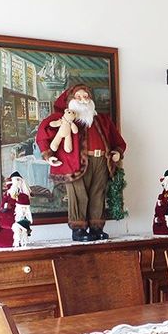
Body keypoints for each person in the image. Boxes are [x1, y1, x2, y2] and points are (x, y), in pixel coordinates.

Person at [36, 84, 126, 241]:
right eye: (78, 97)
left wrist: (117, 152)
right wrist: (48, 155)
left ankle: (97, 228)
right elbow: (43, 136)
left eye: (86, 96)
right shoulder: (63, 120)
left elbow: (117, 140)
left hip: (101, 161)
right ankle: (79, 230)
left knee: (98, 194)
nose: (83, 100)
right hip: (74, 164)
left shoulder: (102, 120)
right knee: (79, 195)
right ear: (71, 101)